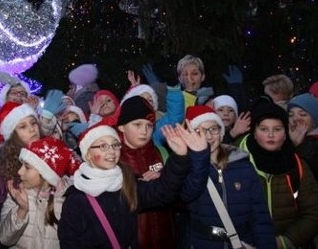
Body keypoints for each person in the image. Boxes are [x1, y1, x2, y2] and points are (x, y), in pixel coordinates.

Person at [58, 123, 210, 248]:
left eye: (115, 145)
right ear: (88, 154)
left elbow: (163, 192)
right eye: (103, 146)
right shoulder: (76, 200)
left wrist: (178, 156)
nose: (111, 151)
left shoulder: (126, 185)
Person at [183, 105, 276, 248]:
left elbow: (260, 215)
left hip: (242, 242)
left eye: (213, 129)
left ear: (221, 133)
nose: (207, 136)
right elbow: (185, 196)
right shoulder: (186, 168)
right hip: (203, 243)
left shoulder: (243, 166)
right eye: (198, 131)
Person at [238, 101, 318, 248]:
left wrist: (286, 241)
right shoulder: (235, 161)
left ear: (285, 133)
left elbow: (313, 212)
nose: (270, 135)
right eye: (264, 129)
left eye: (277, 129)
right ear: (254, 132)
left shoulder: (296, 165)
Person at [0, 137, 79, 248]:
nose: (19, 171)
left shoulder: (69, 200)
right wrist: (22, 210)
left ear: (45, 173)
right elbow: (4, 239)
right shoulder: (17, 195)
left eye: (27, 167)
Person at [116, 95, 177, 247]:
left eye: (149, 125)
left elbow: (180, 198)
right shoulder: (114, 157)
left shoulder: (160, 152)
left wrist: (164, 178)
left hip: (165, 238)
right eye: (137, 124)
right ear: (122, 126)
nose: (144, 131)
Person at [153, 54, 213, 149]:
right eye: (185, 74)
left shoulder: (213, 101)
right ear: (179, 79)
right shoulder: (169, 102)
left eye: (194, 73)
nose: (189, 78)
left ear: (203, 76)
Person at [0, 102, 41, 205]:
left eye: (33, 123)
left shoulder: (50, 152)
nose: (32, 129)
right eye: (23, 127)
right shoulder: (1, 168)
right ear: (12, 135)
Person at [287, 93, 318, 195]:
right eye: (291, 115)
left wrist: (300, 145)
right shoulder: (286, 140)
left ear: (314, 120)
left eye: (302, 114)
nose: (296, 119)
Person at [0, 71, 36, 135]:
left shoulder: (33, 115)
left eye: (22, 94)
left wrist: (32, 113)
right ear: (6, 96)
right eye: (14, 93)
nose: (19, 96)